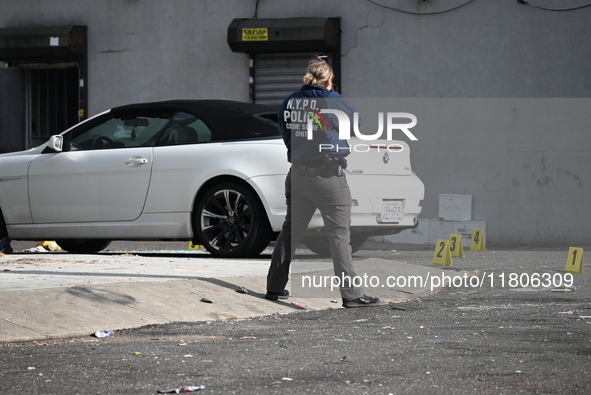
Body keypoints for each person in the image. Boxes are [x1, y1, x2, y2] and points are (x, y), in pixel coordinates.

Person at [265, 57, 379, 308]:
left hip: (296, 174)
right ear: (329, 80)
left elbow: (286, 135)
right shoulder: (333, 100)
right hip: (327, 177)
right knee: (339, 236)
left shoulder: (289, 101)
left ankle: (274, 288)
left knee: (290, 233)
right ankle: (352, 295)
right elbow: (356, 127)